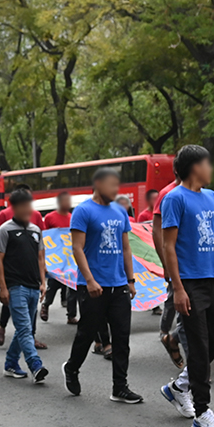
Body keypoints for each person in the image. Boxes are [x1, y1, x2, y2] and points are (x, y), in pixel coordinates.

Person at [159, 146, 214, 427]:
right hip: (190, 283)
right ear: (195, 167)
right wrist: (178, 288)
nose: (211, 168)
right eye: (207, 163)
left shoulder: (211, 197)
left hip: (213, 281)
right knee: (198, 348)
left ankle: (179, 386)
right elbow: (169, 246)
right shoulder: (174, 199)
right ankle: (202, 413)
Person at [62, 167, 142, 403]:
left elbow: (126, 248)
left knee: (121, 338)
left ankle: (120, 387)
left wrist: (130, 280)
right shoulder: (83, 211)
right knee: (86, 334)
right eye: (111, 185)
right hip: (93, 286)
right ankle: (72, 368)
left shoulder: (120, 211)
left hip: (119, 285)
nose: (116, 190)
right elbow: (77, 247)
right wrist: (89, 280)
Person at [0, 187, 48, 382]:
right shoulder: (5, 230)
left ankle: (10, 364)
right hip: (16, 287)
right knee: (25, 329)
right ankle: (35, 364)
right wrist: (3, 287)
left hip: (34, 287)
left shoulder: (35, 231)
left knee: (24, 329)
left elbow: (40, 258)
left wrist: (43, 282)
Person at [152, 179, 187, 368]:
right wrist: (165, 264)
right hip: (179, 263)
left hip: (197, 265)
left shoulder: (203, 193)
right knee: (180, 304)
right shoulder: (168, 194)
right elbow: (157, 232)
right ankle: (194, 368)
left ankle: (172, 337)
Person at [42, 191, 77, 324]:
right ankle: (46, 305)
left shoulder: (72, 217)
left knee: (73, 286)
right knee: (54, 284)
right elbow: (45, 237)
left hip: (70, 258)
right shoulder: (50, 217)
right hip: (56, 259)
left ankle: (71, 315)